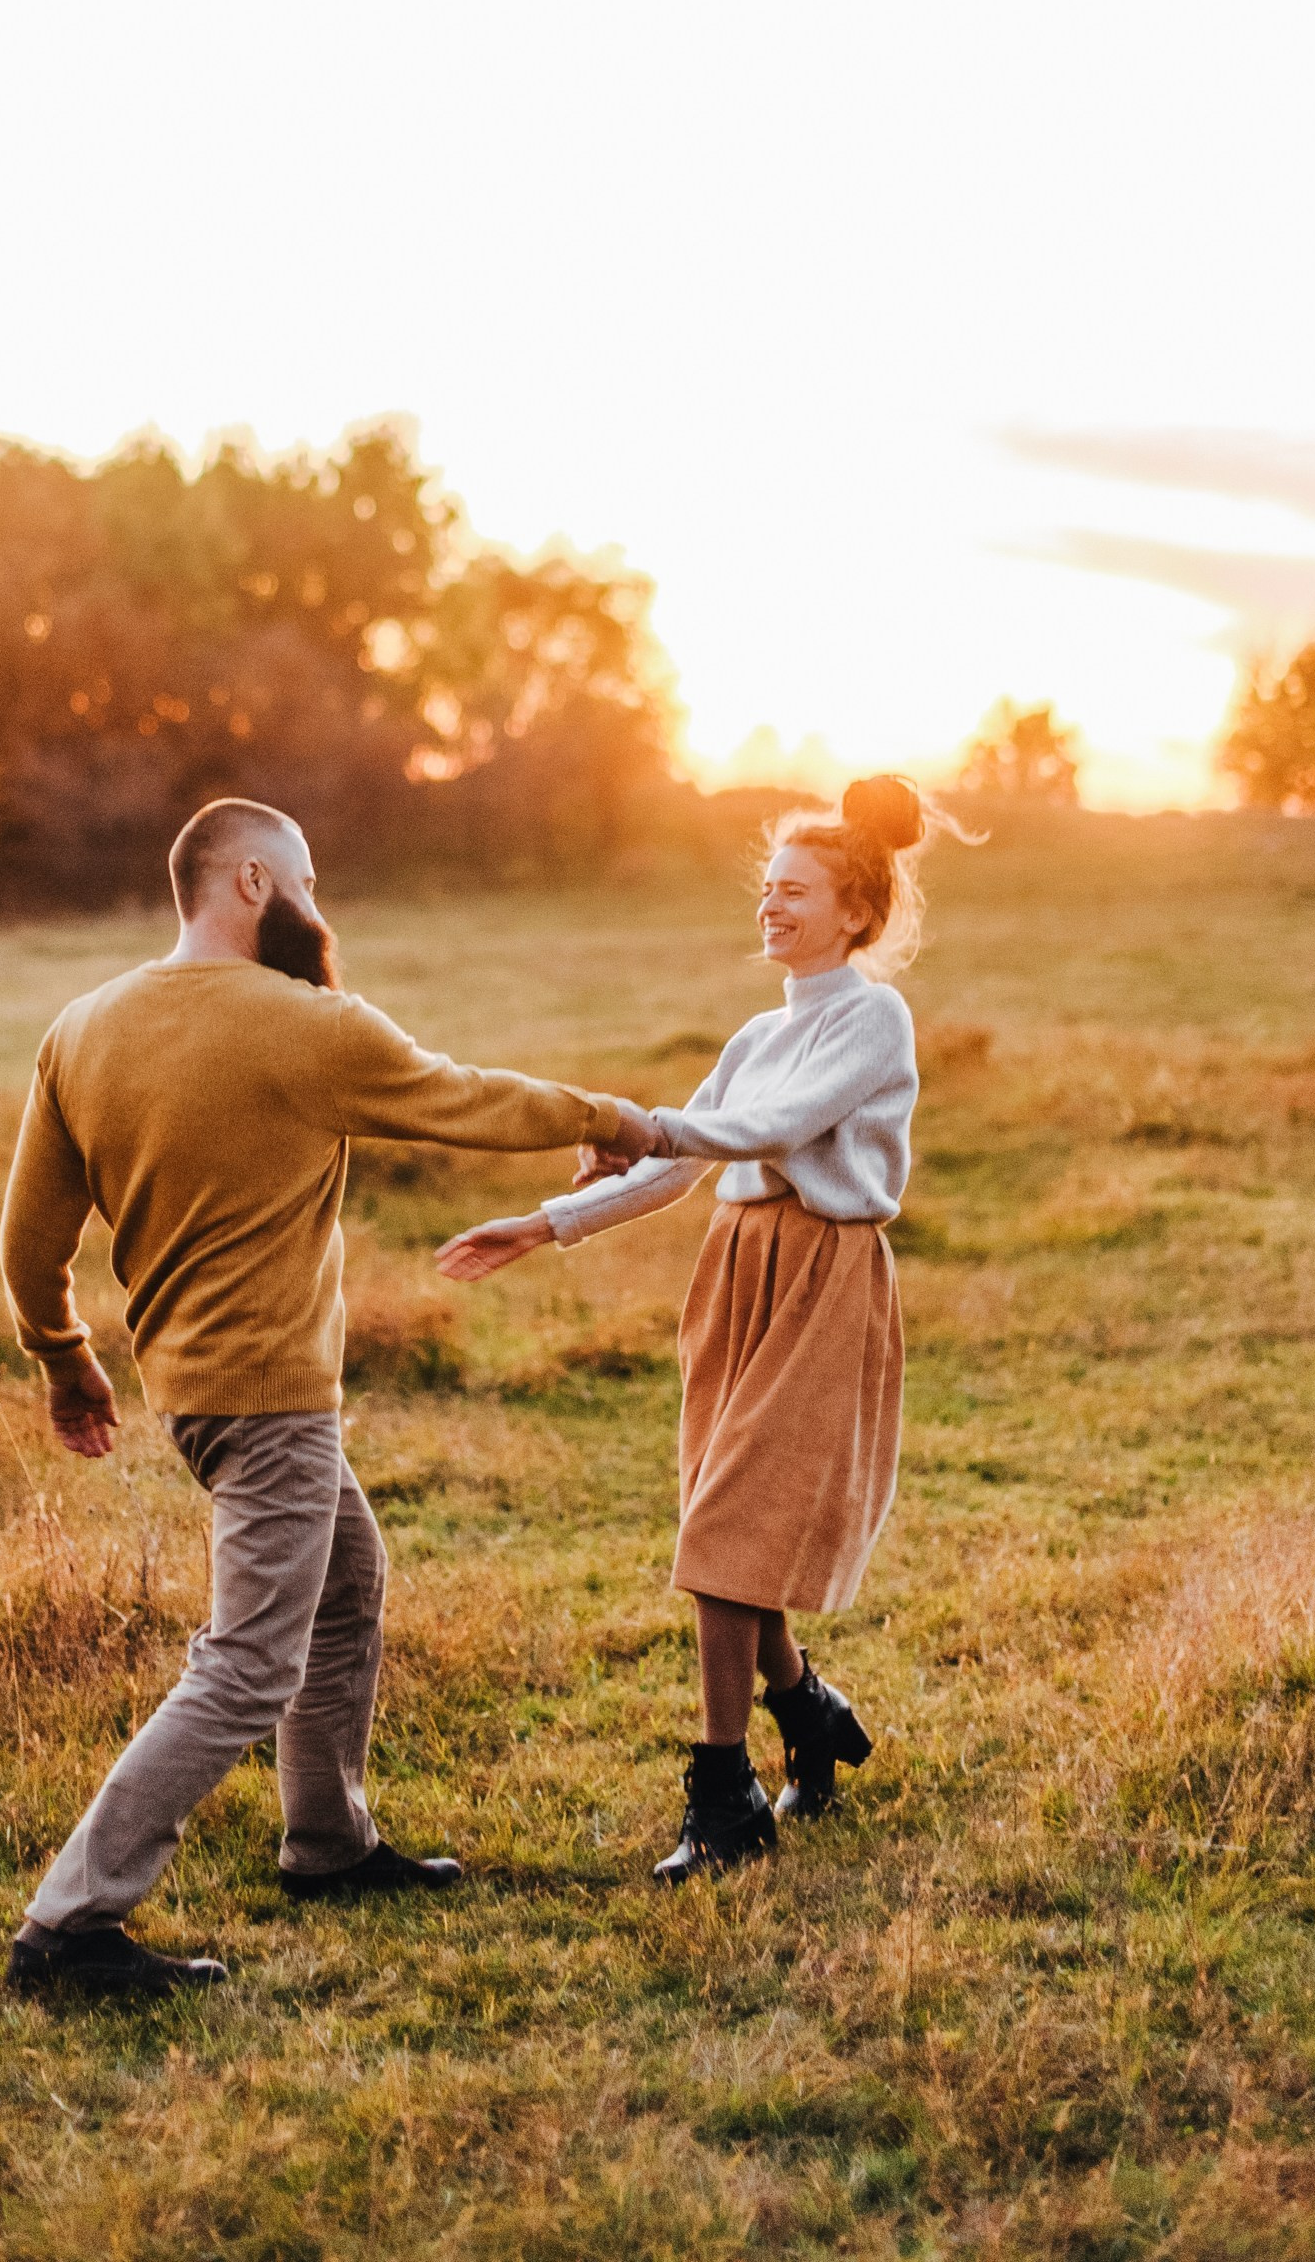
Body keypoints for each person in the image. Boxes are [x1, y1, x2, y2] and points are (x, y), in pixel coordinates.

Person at [0, 796, 665, 1998]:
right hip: (269, 1396)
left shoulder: (81, 1026)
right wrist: (614, 1118)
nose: (315, 906)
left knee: (347, 1579)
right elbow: (466, 1095)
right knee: (249, 1663)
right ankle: (68, 1924)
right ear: (252, 881)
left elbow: (28, 1239)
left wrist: (63, 1354)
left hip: (188, 1391)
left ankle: (329, 1841)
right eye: (304, 881)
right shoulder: (305, 1024)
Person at [438, 776, 944, 1882]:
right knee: (729, 1527)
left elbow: (771, 1126)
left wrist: (644, 1121)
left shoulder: (872, 1017)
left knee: (727, 1529)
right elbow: (680, 1167)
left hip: (821, 1273)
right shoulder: (759, 1032)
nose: (773, 904)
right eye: (768, 886)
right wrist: (546, 1222)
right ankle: (807, 1711)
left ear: (856, 912)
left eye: (797, 890)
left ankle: (726, 1795)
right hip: (736, 1271)